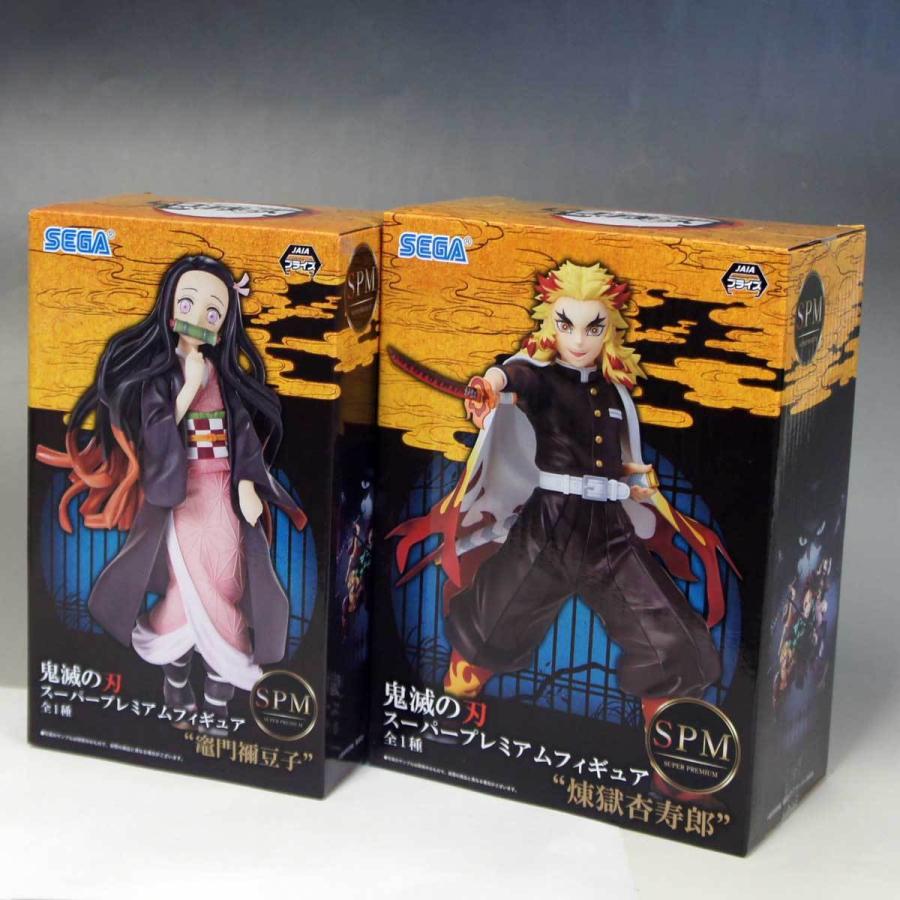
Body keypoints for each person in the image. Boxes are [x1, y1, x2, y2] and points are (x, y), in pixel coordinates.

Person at [37, 255, 306, 731]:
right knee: (190, 590)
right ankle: (177, 682)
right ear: (169, 310)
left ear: (223, 326)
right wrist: (188, 388)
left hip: (224, 495)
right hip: (182, 498)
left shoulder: (226, 381)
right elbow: (156, 435)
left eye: (213, 311)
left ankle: (218, 699)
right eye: (188, 304)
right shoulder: (160, 378)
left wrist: (247, 482)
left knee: (229, 584)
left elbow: (243, 435)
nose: (199, 316)